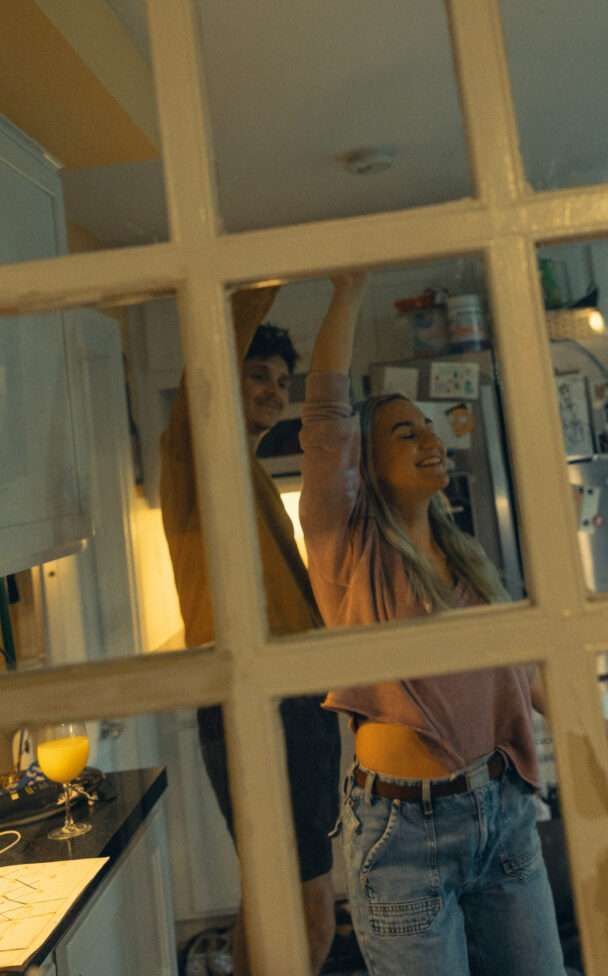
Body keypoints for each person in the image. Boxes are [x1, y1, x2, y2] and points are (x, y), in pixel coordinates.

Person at [298, 273, 608, 976]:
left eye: (429, 427)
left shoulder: (464, 555)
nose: (429, 438)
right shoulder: (348, 547)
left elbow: (512, 664)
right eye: (405, 431)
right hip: (401, 836)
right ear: (364, 457)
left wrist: (582, 723)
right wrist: (348, 290)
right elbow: (327, 417)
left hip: (501, 812)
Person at [159, 287, 341, 976]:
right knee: (310, 915)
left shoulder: (250, 473)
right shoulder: (195, 453)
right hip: (256, 708)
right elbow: (207, 360)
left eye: (280, 381)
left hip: (295, 707)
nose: (272, 390)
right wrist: (249, 272)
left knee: (272, 902)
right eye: (256, 374)